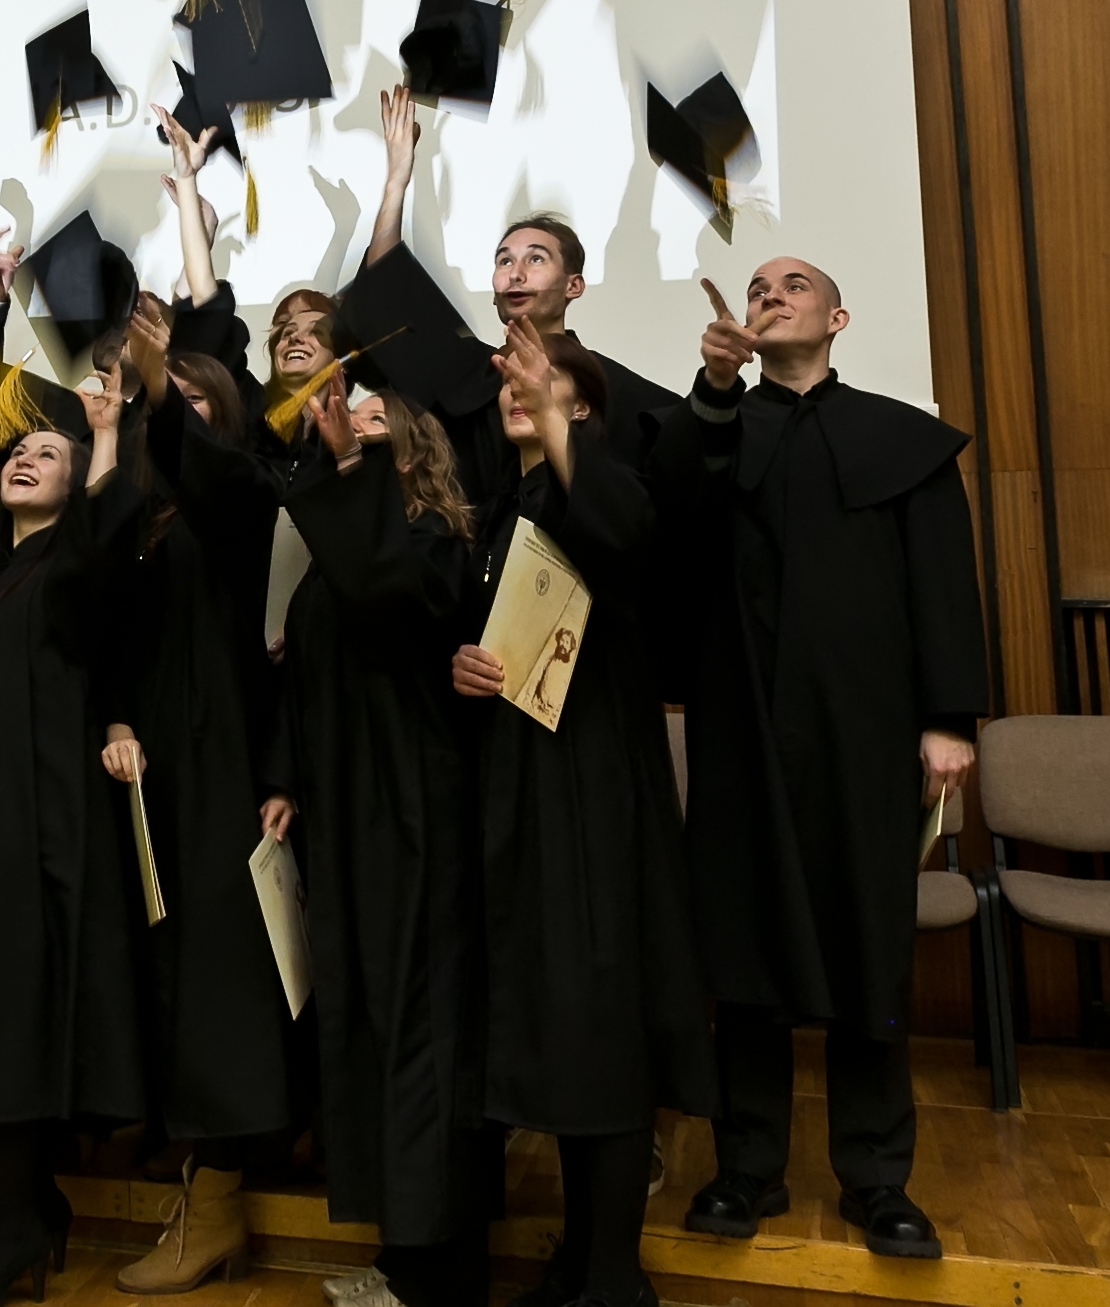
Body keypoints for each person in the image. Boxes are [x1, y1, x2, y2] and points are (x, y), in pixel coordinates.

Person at [650, 259, 985, 1261]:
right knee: (745, 941)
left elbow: (942, 580)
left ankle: (877, 1178)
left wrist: (948, 718)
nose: (771, 293)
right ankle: (746, 1168)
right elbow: (669, 523)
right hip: (742, 728)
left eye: (795, 285)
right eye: (758, 285)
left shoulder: (900, 441)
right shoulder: (713, 426)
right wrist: (714, 391)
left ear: (838, 318)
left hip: (864, 731)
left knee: (867, 944)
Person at [0, 233, 150, 1307]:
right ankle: (28, 1211)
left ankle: (16, 1227)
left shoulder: (75, 564)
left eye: (46, 456)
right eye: (19, 453)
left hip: (50, 820)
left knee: (26, 1017)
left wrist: (102, 440)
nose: (21, 459)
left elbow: (103, 543)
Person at [453, 323, 714, 1307]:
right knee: (562, 1026)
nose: (522, 389)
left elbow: (624, 536)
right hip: (520, 788)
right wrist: (461, 663)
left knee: (600, 1023)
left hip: (594, 788)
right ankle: (583, 1258)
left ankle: (613, 1278)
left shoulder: (610, 486)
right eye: (513, 382)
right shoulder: (501, 508)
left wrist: (560, 423)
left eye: (549, 381)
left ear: (588, 410)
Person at [276, 364, 486, 1307]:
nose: (345, 425)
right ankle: (405, 1252)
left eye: (367, 419)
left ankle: (442, 1269)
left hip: (412, 808)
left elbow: (389, 603)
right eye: (339, 418)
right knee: (368, 1019)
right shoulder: (335, 557)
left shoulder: (434, 540)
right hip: (345, 809)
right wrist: (285, 782)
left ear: (409, 446)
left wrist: (349, 474)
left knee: (420, 1026)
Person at [107, 295, 300, 1293]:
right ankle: (186, 1159)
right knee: (164, 970)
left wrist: (155, 384)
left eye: (188, 399)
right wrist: (115, 720)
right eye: (158, 397)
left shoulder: (244, 500)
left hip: (224, 767)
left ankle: (219, 1198)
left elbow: (213, 472)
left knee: (223, 982)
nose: (166, 407)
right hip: (148, 774)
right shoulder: (139, 514)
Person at [364, 85, 671, 483]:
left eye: (536, 259)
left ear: (574, 285)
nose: (516, 273)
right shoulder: (468, 373)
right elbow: (383, 294)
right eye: (504, 260)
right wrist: (396, 179)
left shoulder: (605, 383)